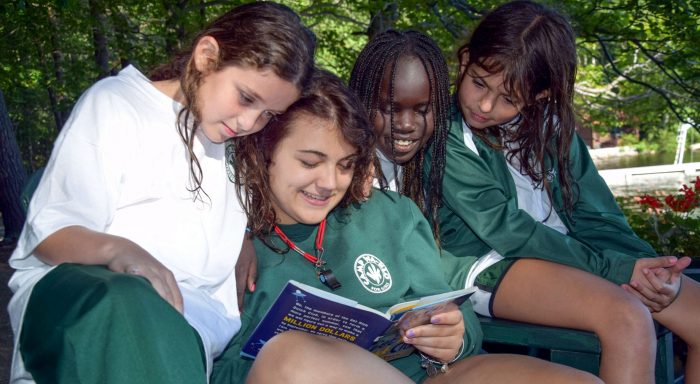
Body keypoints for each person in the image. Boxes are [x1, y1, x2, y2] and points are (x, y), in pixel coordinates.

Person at [212, 69, 600, 383]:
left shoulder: (388, 215)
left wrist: (453, 335)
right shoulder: (233, 246)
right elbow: (218, 370)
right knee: (291, 356)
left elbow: (452, 309)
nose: (329, 183)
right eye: (310, 162)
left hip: (433, 374)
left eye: (346, 165)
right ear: (264, 153)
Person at [7, 3, 315, 383]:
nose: (250, 122)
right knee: (130, 303)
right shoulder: (118, 103)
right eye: (247, 98)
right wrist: (120, 250)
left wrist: (243, 235)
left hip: (181, 324)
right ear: (206, 57)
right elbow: (50, 231)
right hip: (87, 304)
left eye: (269, 114)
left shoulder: (236, 144)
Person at [438, 1, 700, 383]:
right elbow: (509, 231)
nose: (485, 104)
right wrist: (615, 269)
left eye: (509, 98)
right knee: (626, 317)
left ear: (539, 95)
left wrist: (647, 267)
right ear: (465, 61)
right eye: (479, 82)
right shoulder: (447, 135)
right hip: (487, 262)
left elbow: (597, 215)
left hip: (568, 256)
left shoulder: (552, 128)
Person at [348, 29, 450, 240]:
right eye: (389, 109)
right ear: (362, 100)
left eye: (422, 110)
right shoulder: (343, 172)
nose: (405, 125)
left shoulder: (430, 168)